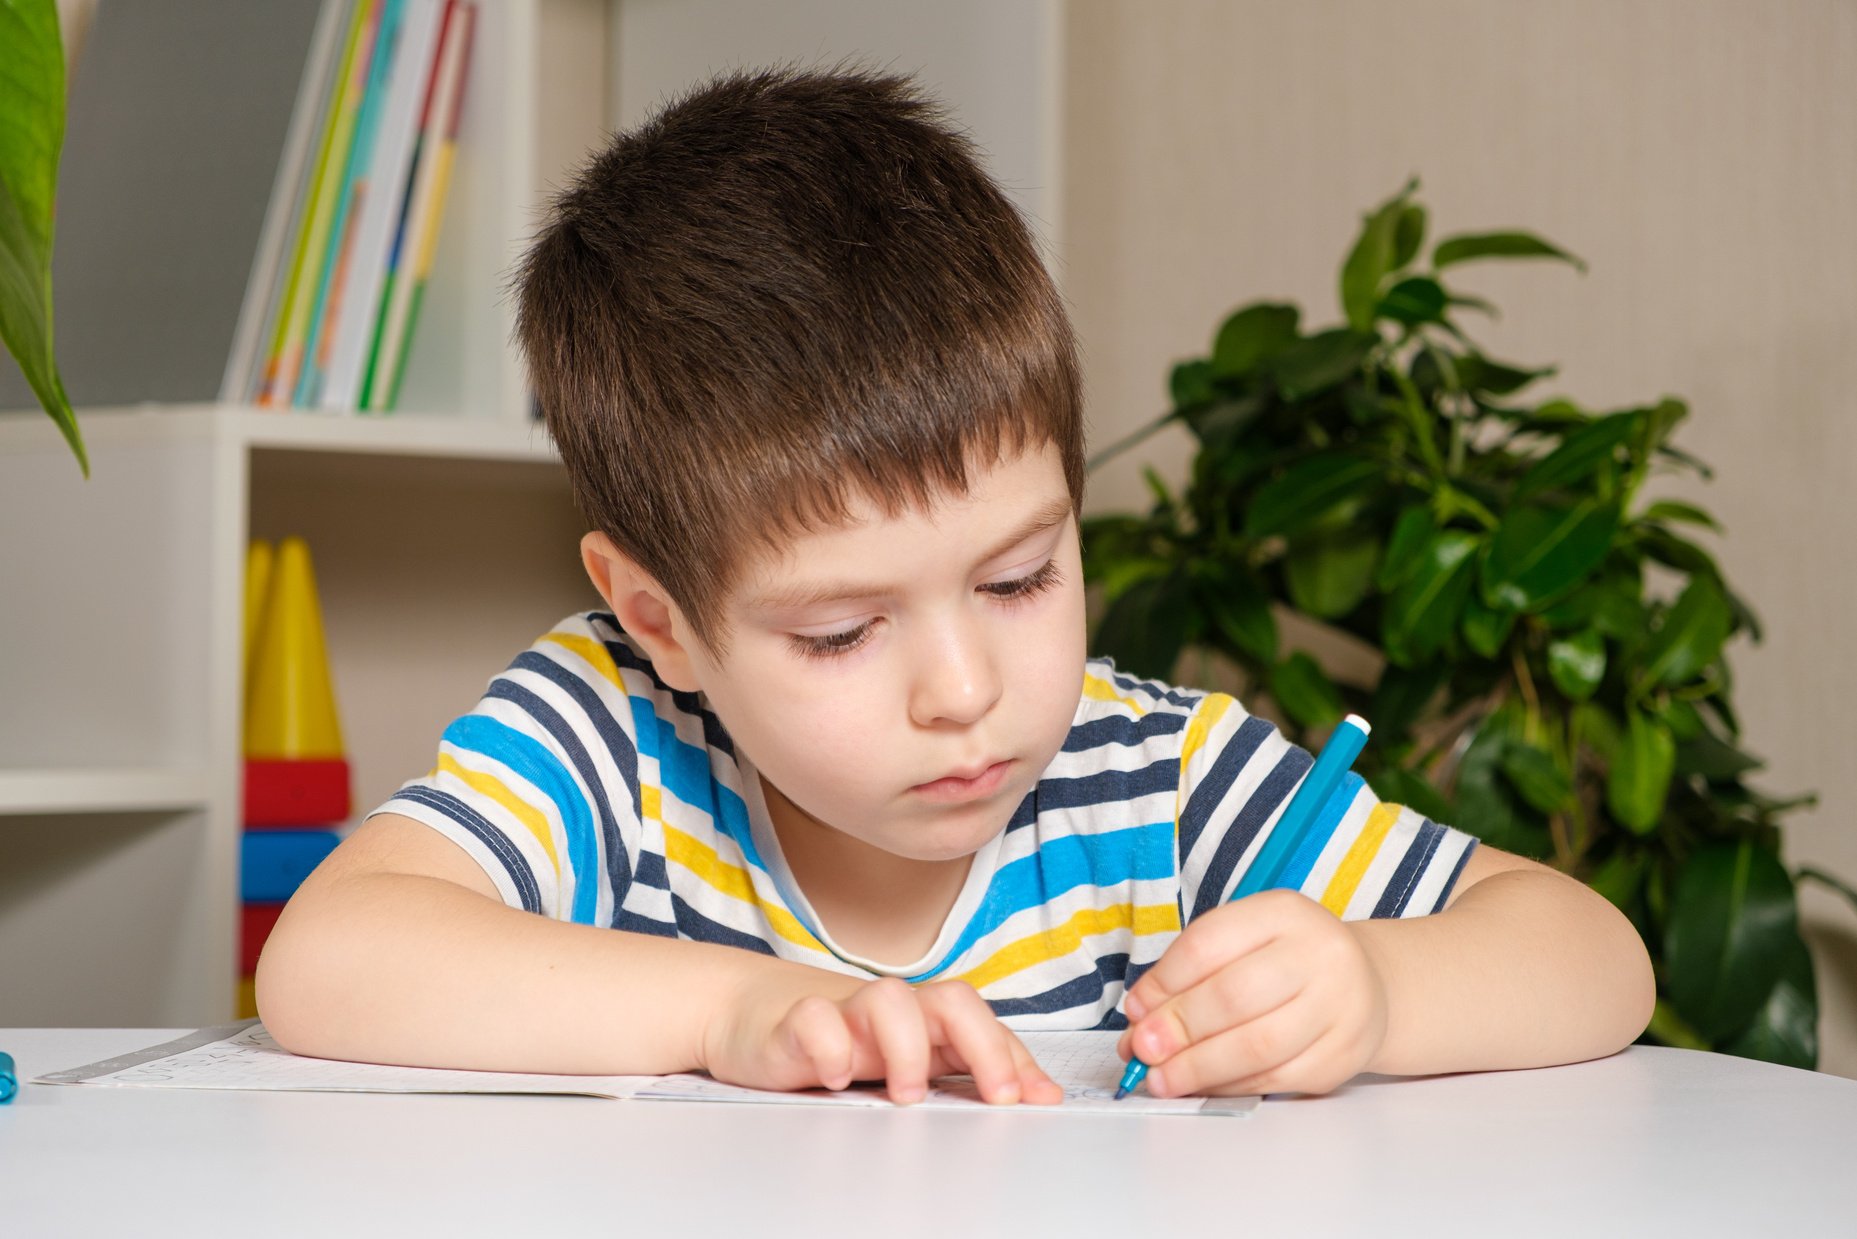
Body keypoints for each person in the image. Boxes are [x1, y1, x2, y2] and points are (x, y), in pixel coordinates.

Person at [258, 66, 1654, 1105]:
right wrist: (736, 1008)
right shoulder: (611, 734)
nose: (967, 692)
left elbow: (1591, 957)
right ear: (659, 621)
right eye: (842, 629)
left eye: (1020, 577)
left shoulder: (1155, 779)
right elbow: (327, 962)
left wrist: (1373, 992)